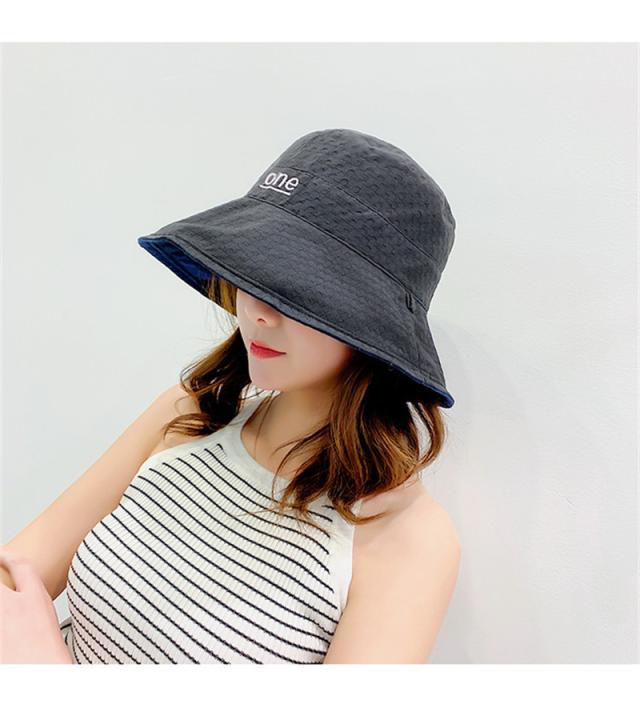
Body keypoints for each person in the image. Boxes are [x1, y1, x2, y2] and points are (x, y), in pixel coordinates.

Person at [1, 127, 461, 664]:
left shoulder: (407, 539)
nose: (258, 312)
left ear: (372, 323)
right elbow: (14, 572)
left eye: (299, 291)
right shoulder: (190, 414)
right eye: (256, 274)